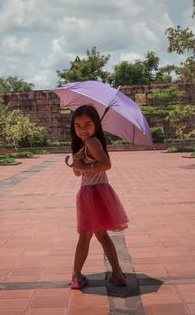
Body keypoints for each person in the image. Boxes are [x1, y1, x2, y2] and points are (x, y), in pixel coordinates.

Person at [67, 104, 129, 290]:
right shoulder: (85, 145)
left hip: (91, 194)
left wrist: (84, 167)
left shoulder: (92, 142)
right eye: (77, 125)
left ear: (96, 125)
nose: (82, 129)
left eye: (87, 124)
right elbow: (78, 175)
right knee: (102, 236)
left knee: (85, 237)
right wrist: (77, 163)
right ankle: (117, 274)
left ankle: (77, 277)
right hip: (97, 193)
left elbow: (107, 164)